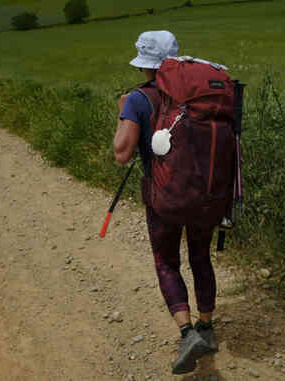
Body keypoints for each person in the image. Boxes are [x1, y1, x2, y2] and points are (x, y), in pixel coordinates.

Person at [112, 30, 219, 375]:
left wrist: (122, 114)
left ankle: (187, 333)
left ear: (144, 65)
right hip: (204, 193)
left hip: (163, 198)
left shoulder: (137, 99)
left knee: (166, 261)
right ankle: (207, 326)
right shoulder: (196, 94)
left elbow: (121, 153)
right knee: (200, 256)